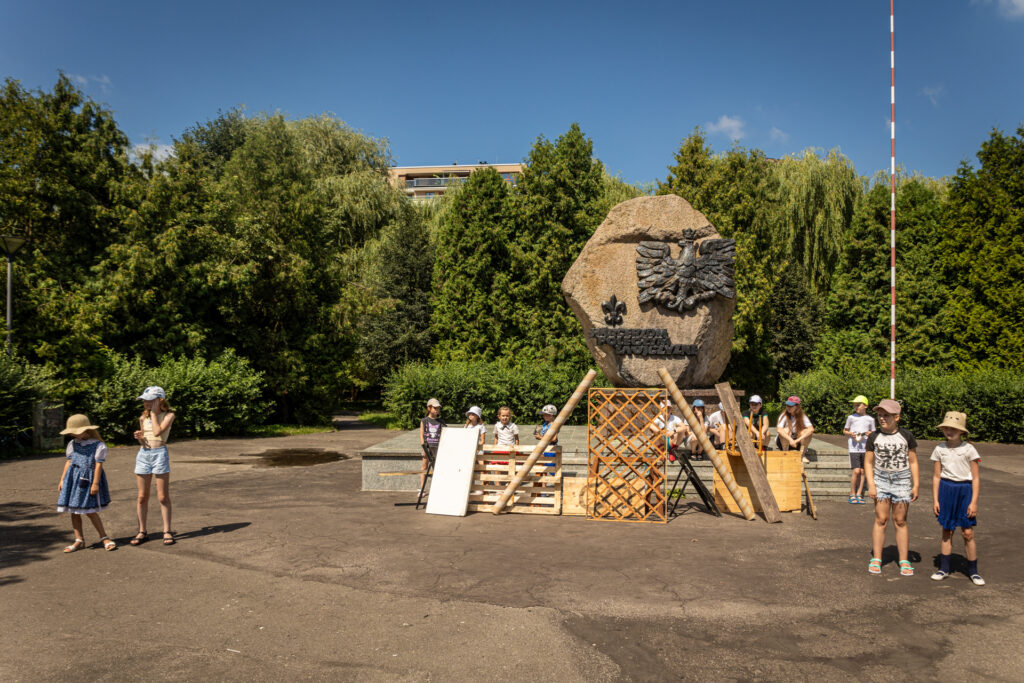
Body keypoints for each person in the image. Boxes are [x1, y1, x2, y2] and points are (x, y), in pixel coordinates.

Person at [864, 398, 919, 576]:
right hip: (880, 479)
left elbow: (913, 461)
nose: (882, 418)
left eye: (886, 415)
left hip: (902, 480)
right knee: (881, 519)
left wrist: (915, 484)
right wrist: (871, 485)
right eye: (879, 415)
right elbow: (868, 462)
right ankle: (877, 558)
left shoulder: (906, 436)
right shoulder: (874, 437)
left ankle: (903, 560)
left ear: (897, 417)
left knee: (900, 520)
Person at [930, 411, 984, 585]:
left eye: (953, 428)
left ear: (961, 431)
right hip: (946, 490)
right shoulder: (939, 449)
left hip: (964, 491)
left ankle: (973, 571)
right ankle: (944, 568)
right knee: (947, 530)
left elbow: (975, 478)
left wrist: (973, 502)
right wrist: (936, 500)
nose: (949, 431)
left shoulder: (969, 449)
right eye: (946, 427)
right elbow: (936, 476)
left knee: (968, 533)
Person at [56, 414, 115, 552]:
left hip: (88, 479)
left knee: (90, 510)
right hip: (73, 479)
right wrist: (62, 479)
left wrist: (95, 484)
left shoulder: (98, 445)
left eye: (75, 431)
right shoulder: (73, 444)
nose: (72, 434)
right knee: (74, 511)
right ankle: (79, 540)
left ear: (86, 430)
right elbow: (69, 462)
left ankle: (104, 537)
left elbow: (98, 465)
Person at [131, 386, 177, 546]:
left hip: (160, 454)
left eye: (149, 400)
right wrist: (139, 437)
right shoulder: (143, 418)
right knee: (142, 497)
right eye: (144, 400)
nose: (145, 402)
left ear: (159, 400)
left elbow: (157, 432)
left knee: (162, 496)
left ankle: (167, 530)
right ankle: (142, 531)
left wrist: (153, 414)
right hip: (144, 454)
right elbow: (145, 439)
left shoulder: (169, 415)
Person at [843, 395, 876, 504]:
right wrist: (850, 434)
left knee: (863, 471)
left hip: (865, 447)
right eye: (855, 404)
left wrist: (870, 434)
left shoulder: (870, 419)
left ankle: (859, 493)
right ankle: (852, 493)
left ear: (865, 406)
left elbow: (874, 433)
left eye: (859, 404)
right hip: (854, 447)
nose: (856, 406)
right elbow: (845, 430)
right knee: (856, 470)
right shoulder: (851, 417)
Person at [776, 396, 814, 463]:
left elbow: (811, 429)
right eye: (787, 405)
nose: (788, 407)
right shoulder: (784, 415)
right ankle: (785, 453)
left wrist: (796, 441)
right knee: (786, 430)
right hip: (785, 442)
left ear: (797, 406)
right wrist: (790, 440)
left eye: (790, 406)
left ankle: (802, 455)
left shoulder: (802, 416)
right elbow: (779, 430)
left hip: (797, 442)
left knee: (806, 431)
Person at [419, 398, 445, 491]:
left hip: (437, 447)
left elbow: (446, 433)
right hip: (427, 447)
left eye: (438, 408)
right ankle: (421, 488)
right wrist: (423, 446)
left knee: (437, 467)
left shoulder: (441, 422)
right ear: (429, 408)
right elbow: (421, 434)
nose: (437, 410)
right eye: (435, 408)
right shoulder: (424, 420)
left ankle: (437, 488)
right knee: (424, 467)